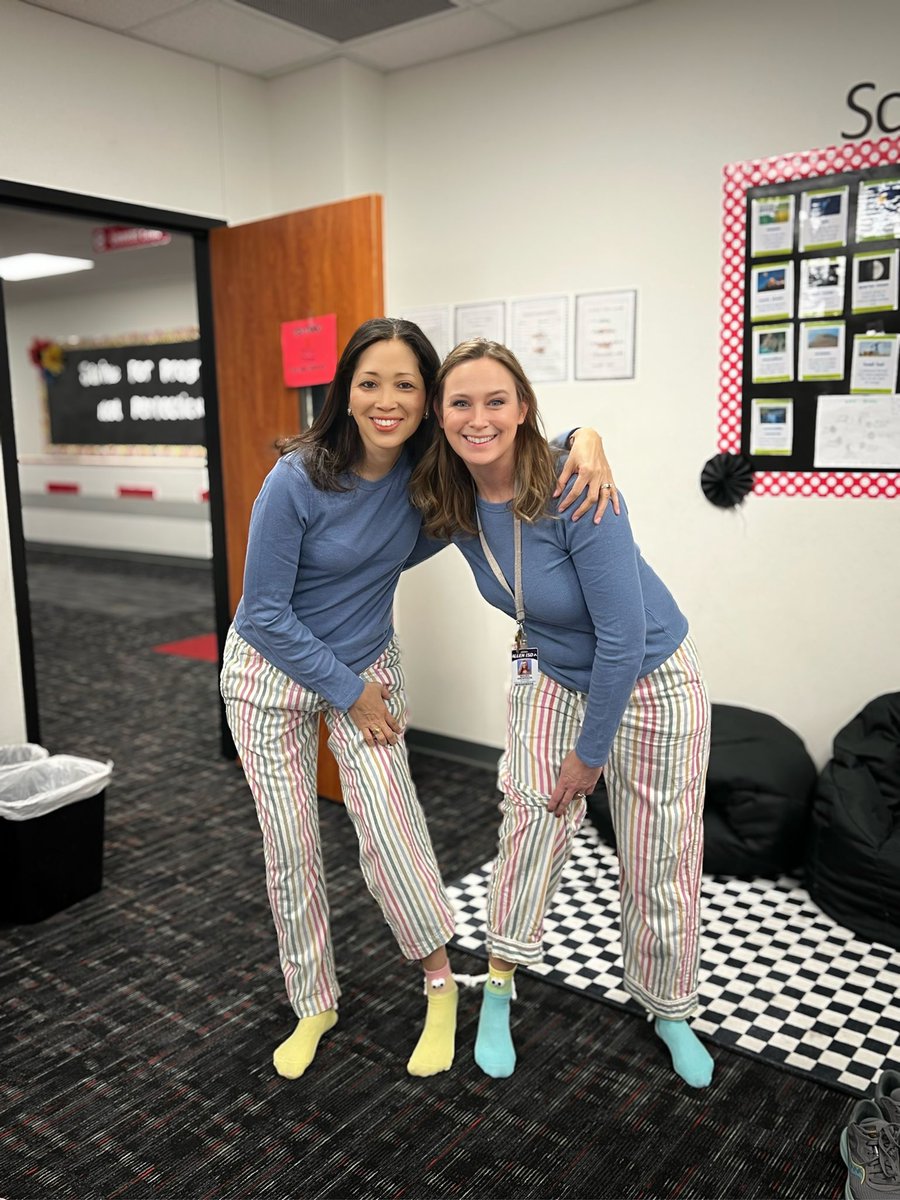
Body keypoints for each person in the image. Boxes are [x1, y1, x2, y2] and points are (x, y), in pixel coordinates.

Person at [219, 317, 617, 1081]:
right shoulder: (299, 476)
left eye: (406, 384)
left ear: (428, 401)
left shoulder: (432, 476)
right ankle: (313, 1001)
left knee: (392, 831)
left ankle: (440, 984)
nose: (387, 399)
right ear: (347, 391)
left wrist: (585, 435)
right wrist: (348, 694)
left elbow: (506, 442)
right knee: (291, 848)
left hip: (366, 665)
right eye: (371, 382)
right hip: (271, 675)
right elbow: (263, 611)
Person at [409, 338, 714, 1089]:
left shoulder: (577, 488)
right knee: (529, 825)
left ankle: (669, 1008)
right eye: (460, 402)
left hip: (647, 677)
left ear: (522, 411)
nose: (478, 418)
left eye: (496, 401)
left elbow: (620, 636)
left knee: (659, 853)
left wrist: (591, 754)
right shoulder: (446, 499)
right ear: (440, 416)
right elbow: (371, 545)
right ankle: (500, 987)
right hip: (546, 670)